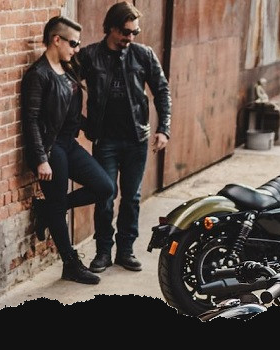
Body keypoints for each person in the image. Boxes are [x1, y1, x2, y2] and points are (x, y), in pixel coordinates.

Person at [75, 1, 172, 273]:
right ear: (111, 28)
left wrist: (164, 128)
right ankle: (103, 251)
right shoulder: (90, 55)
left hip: (135, 140)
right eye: (126, 33)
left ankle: (126, 250)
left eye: (134, 33)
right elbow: (66, 86)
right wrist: (81, 124)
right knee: (105, 196)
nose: (130, 38)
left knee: (131, 198)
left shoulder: (143, 55)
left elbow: (162, 91)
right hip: (105, 140)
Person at [22, 15, 116, 285]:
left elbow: (68, 112)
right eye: (73, 43)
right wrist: (41, 159)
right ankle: (70, 263)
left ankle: (48, 209)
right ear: (56, 39)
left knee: (105, 187)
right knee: (57, 203)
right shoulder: (39, 75)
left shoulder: (69, 68)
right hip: (51, 149)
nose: (77, 49)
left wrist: (90, 127)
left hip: (69, 144)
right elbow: (31, 120)